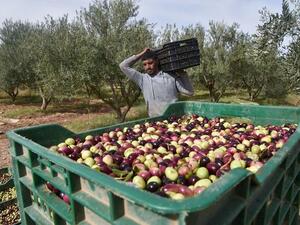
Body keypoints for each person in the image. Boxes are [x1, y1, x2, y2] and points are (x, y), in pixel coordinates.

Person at [119, 48, 194, 117]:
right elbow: (123, 66)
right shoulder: (142, 79)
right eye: (144, 64)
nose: (147, 67)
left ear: (157, 61)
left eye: (150, 63)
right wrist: (142, 53)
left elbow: (189, 92)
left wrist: (182, 73)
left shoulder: (170, 76)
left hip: (174, 118)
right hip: (155, 122)